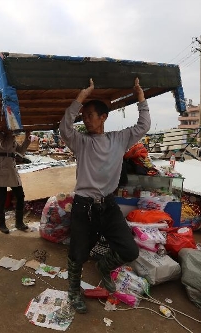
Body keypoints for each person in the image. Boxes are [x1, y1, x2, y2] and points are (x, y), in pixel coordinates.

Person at [59, 77, 151, 314]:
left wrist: (140, 96)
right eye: (84, 115)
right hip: (84, 206)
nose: (86, 119)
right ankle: (73, 291)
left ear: (104, 117)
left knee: (129, 250)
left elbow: (143, 125)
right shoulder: (80, 142)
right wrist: (82, 95)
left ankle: (104, 265)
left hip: (108, 206)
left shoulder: (119, 139)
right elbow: (64, 128)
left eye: (90, 115)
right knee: (77, 254)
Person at [0, 129, 31, 234]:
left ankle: (19, 222)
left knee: (20, 195)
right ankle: (1, 224)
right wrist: (9, 134)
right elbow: (5, 146)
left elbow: (21, 151)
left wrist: (27, 138)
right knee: (2, 198)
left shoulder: (10, 136)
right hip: (1, 168)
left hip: (11, 168)